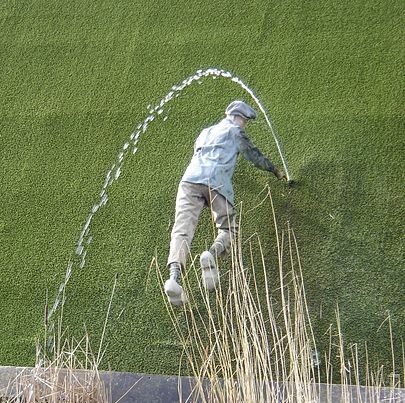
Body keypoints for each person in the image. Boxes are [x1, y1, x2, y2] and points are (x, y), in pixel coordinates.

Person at [164, 100, 286, 305]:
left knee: (182, 230)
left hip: (189, 181)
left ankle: (174, 278)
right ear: (240, 118)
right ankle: (211, 254)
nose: (245, 125)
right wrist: (275, 170)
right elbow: (253, 155)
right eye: (245, 121)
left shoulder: (205, 131)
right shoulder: (235, 132)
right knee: (229, 229)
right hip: (215, 182)